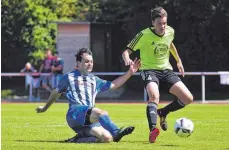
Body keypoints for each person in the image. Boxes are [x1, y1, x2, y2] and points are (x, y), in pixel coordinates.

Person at [36, 48, 141, 143]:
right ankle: (117, 132)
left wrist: (130, 73)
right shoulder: (69, 77)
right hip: (75, 113)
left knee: (106, 138)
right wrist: (45, 108)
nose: (90, 64)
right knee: (100, 112)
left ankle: (76, 139)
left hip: (89, 119)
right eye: (86, 61)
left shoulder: (95, 80)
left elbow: (114, 84)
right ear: (78, 63)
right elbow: (55, 93)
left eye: (91, 61)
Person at [122, 7, 193, 143]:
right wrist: (127, 59)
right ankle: (153, 129)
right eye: (159, 23)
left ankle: (163, 112)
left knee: (188, 98)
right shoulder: (143, 35)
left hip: (166, 70)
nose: (163, 26)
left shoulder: (170, 31)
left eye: (164, 23)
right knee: (154, 96)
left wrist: (178, 61)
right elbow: (126, 51)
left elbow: (170, 44)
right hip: (149, 70)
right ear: (153, 23)